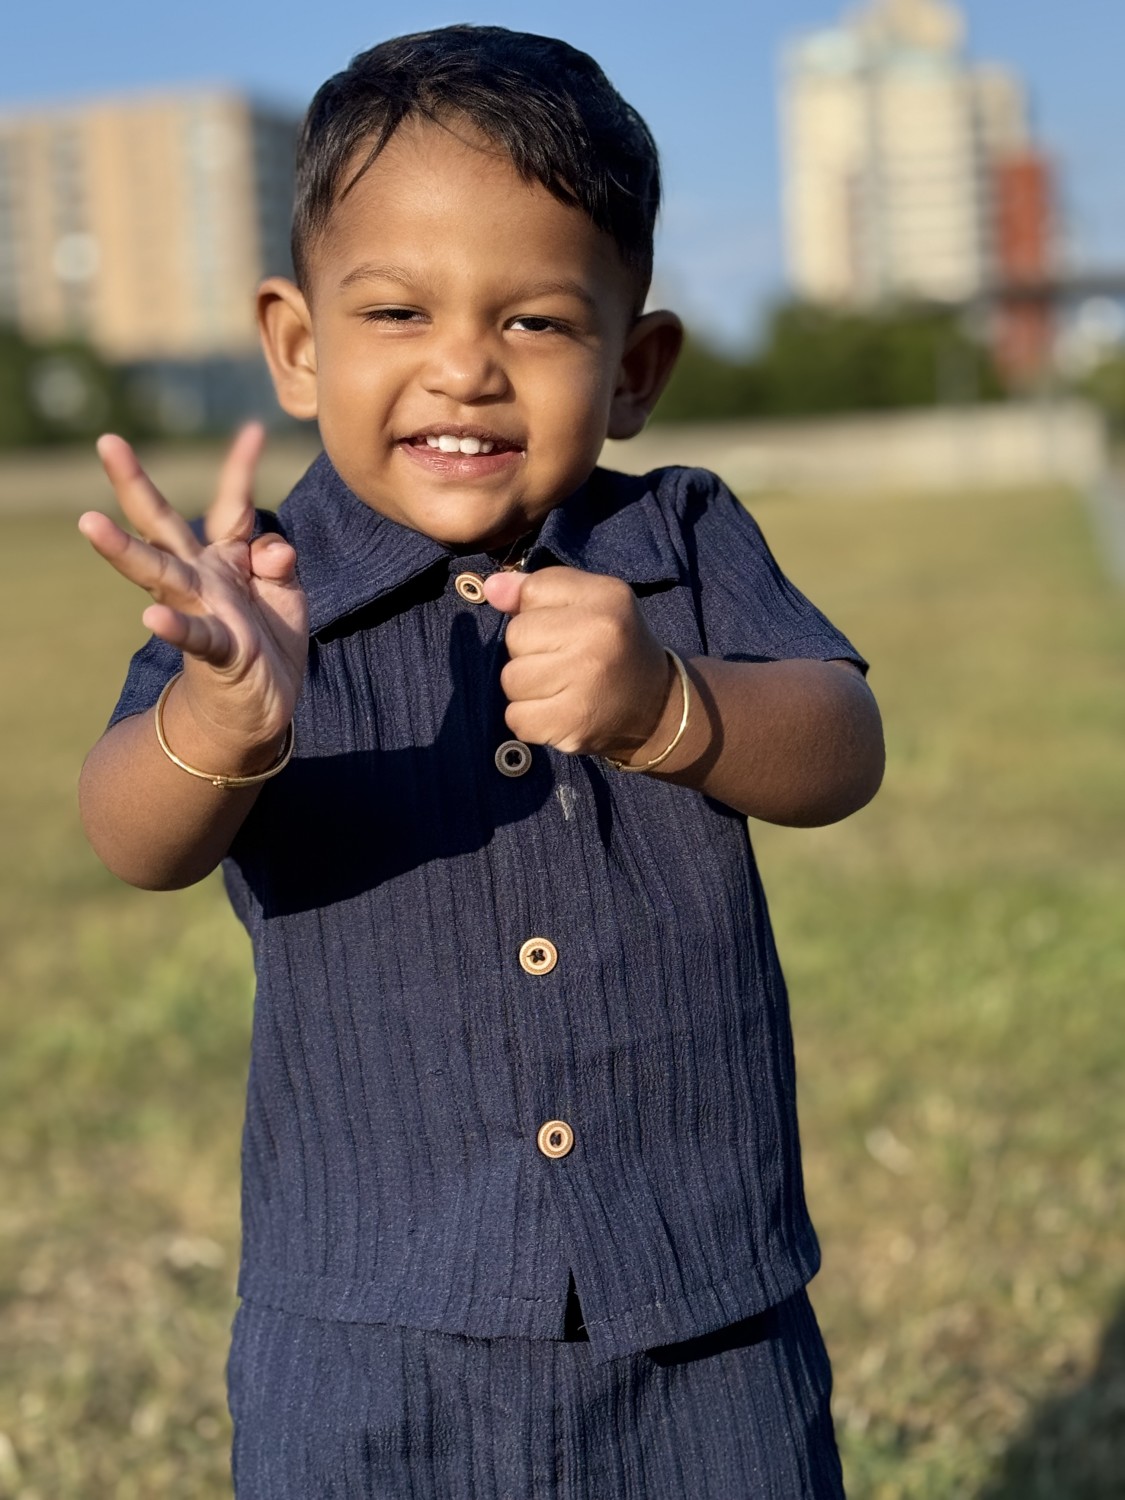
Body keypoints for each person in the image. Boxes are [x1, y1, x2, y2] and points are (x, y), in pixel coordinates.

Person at [77, 25, 884, 1498]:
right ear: (299, 344)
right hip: (365, 1326)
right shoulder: (259, 593)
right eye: (396, 311)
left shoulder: (676, 538)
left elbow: (842, 746)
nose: (463, 367)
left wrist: (668, 706)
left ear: (633, 366)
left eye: (536, 322)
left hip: (700, 1302)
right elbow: (131, 839)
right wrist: (222, 721)